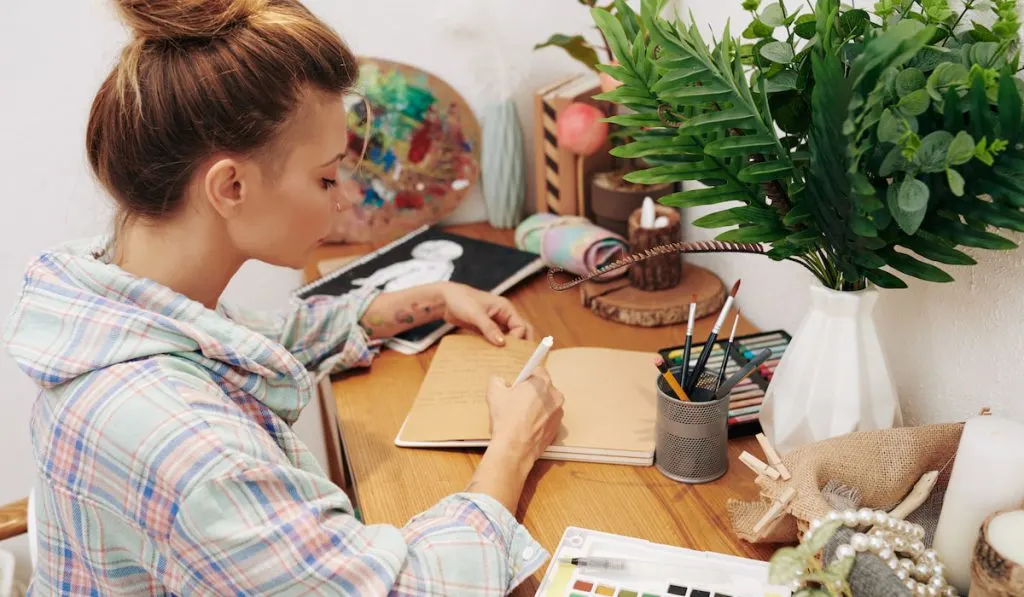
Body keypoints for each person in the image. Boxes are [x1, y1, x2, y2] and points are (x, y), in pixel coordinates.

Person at [1, 0, 564, 594]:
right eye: (325, 177)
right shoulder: (197, 455)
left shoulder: (112, 295)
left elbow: (261, 341)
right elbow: (403, 587)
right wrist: (511, 449)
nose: (341, 199)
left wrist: (429, 299)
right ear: (231, 185)